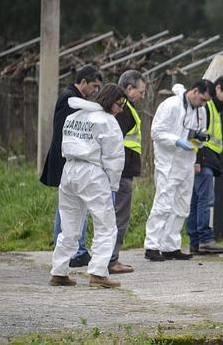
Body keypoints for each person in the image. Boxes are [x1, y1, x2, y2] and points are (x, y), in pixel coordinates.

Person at [49, 84, 126, 288]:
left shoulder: (74, 116)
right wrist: (113, 185)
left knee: (69, 225)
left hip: (69, 170)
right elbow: (114, 157)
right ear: (111, 101)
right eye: (120, 104)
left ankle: (59, 270)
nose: (121, 109)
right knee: (106, 226)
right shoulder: (107, 121)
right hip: (92, 172)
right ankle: (98, 273)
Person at [143, 80, 214, 261]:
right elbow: (156, 132)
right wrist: (176, 140)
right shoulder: (170, 105)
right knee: (163, 204)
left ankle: (171, 246)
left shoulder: (201, 111)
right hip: (168, 162)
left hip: (187, 162)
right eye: (203, 99)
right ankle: (152, 245)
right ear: (195, 91)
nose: (203, 104)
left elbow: (200, 132)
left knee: (182, 206)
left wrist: (199, 140)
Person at [40, 66, 103, 268]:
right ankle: (73, 250)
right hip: (66, 158)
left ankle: (73, 250)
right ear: (83, 81)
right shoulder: (71, 100)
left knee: (68, 206)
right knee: (68, 208)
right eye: (94, 85)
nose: (95, 90)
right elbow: (66, 134)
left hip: (65, 158)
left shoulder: (72, 98)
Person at [185, 75, 223, 255]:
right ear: (218, 88)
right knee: (204, 200)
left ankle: (195, 241)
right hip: (204, 158)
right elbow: (198, 135)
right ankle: (205, 239)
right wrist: (198, 160)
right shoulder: (207, 109)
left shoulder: (211, 108)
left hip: (204, 158)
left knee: (196, 200)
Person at [108, 70, 147, 274]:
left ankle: (108, 259)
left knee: (113, 216)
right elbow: (115, 140)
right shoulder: (123, 110)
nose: (142, 96)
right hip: (121, 173)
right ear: (129, 88)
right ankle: (111, 260)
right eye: (140, 91)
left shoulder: (124, 107)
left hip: (119, 171)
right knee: (119, 217)